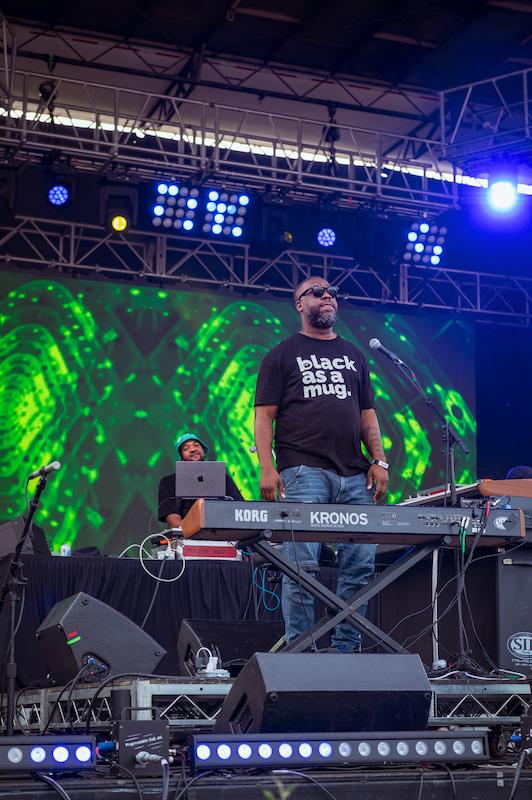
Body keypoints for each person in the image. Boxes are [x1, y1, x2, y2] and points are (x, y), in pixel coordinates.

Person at [254, 277, 389, 652]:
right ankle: (302, 650)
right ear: (300, 304)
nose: (327, 296)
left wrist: (379, 460)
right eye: (317, 292)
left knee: (360, 566)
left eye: (331, 292)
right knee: (301, 565)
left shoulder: (354, 355)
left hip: (355, 474)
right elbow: (264, 416)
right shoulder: (281, 354)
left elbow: (367, 415)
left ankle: (348, 649)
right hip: (303, 470)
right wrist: (267, 468)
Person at [158, 432, 243, 528]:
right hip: (189, 538)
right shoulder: (169, 483)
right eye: (186, 448)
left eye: (196, 445)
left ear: (204, 452)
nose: (193, 449)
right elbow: (173, 520)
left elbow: (240, 510)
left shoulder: (222, 478)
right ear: (180, 457)